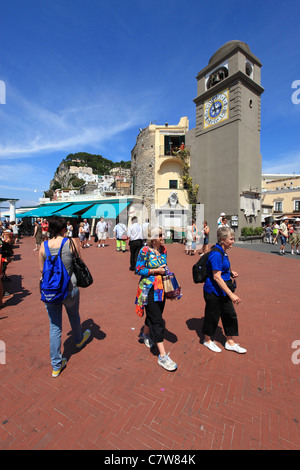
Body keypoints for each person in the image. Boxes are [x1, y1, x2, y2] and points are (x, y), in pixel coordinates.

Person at [38, 216, 91, 378]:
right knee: (74, 315)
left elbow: (41, 270)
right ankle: (78, 338)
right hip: (70, 288)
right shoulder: (71, 243)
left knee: (55, 326)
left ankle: (56, 365)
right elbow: (80, 263)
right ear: (63, 229)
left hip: (51, 291)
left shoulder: (43, 245)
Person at [135, 227, 177, 371]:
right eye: (160, 235)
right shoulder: (144, 251)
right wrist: (156, 270)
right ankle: (163, 356)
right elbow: (138, 269)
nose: (163, 236)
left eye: (162, 234)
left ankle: (145, 334)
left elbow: (163, 265)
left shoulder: (164, 249)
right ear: (152, 238)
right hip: (148, 289)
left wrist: (165, 269)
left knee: (155, 315)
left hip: (161, 289)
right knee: (158, 321)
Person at [202, 226, 247, 354]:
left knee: (230, 315)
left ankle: (230, 342)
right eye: (231, 239)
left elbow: (222, 268)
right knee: (212, 316)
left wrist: (230, 272)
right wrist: (231, 294)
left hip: (223, 289)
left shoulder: (224, 251)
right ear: (223, 239)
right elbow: (216, 277)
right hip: (214, 291)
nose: (233, 241)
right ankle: (207, 340)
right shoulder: (216, 253)